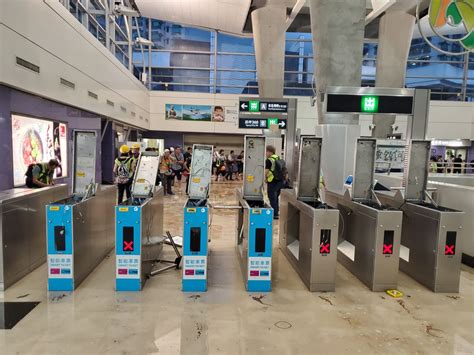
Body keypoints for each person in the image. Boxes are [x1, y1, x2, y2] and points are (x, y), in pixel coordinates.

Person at [265, 145, 285, 220]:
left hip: (272, 180)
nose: (266, 153)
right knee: (276, 197)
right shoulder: (278, 158)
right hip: (280, 181)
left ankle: (274, 214)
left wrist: (264, 178)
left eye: (266, 151)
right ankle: (276, 212)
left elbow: (266, 171)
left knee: (271, 197)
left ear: (270, 152)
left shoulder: (269, 160)